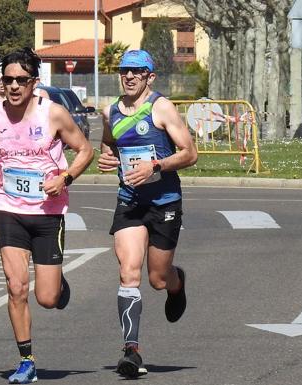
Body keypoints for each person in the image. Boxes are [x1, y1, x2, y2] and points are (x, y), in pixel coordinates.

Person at [0, 48, 94, 384]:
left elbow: (85, 150)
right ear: (1, 83)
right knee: (16, 286)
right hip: (9, 208)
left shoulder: (53, 115)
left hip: (48, 212)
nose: (14, 86)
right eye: (8, 80)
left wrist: (65, 178)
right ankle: (26, 361)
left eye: (21, 80)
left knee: (46, 298)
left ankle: (57, 282)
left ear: (34, 82)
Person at [96, 50, 198, 379]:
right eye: (124, 70)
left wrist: (155, 165)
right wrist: (108, 159)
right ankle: (131, 350)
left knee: (156, 279)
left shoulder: (160, 108)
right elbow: (109, 145)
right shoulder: (110, 110)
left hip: (164, 201)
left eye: (137, 72)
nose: (129, 76)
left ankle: (176, 282)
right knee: (129, 272)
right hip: (130, 200)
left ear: (149, 77)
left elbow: (189, 153)